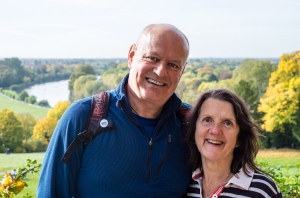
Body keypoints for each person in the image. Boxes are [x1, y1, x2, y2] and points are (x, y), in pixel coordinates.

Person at [37, 23, 192, 197]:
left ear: (182, 71)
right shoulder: (82, 117)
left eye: (173, 65)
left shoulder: (191, 124)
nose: (161, 71)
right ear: (132, 56)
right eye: (153, 58)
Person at [185, 89, 282, 198]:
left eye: (227, 123)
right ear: (194, 130)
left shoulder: (262, 190)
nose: (215, 130)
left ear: (239, 138)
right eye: (207, 120)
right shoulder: (183, 185)